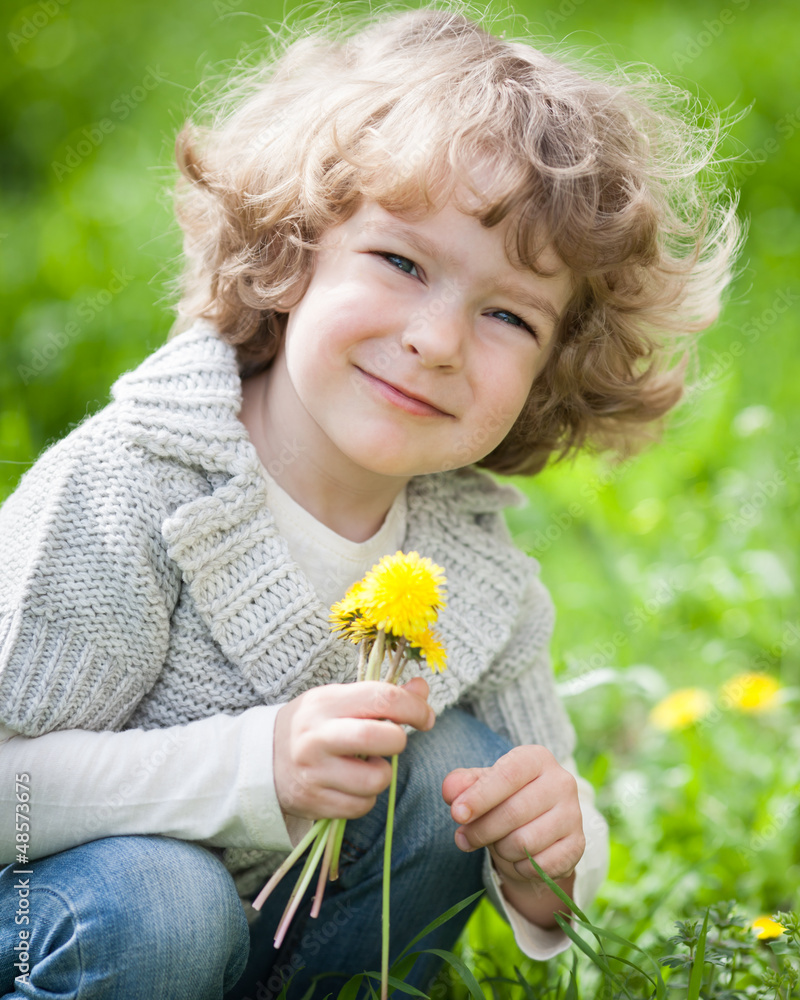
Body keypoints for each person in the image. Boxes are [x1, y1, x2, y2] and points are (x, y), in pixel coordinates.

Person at [0, 3, 741, 998]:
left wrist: (549, 860)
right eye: (400, 261)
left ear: (552, 363)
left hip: (273, 944)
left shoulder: (471, 566)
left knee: (456, 773)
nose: (436, 339)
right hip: (66, 914)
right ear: (296, 248)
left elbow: (543, 800)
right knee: (169, 901)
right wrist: (255, 768)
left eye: (506, 315)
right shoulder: (133, 485)